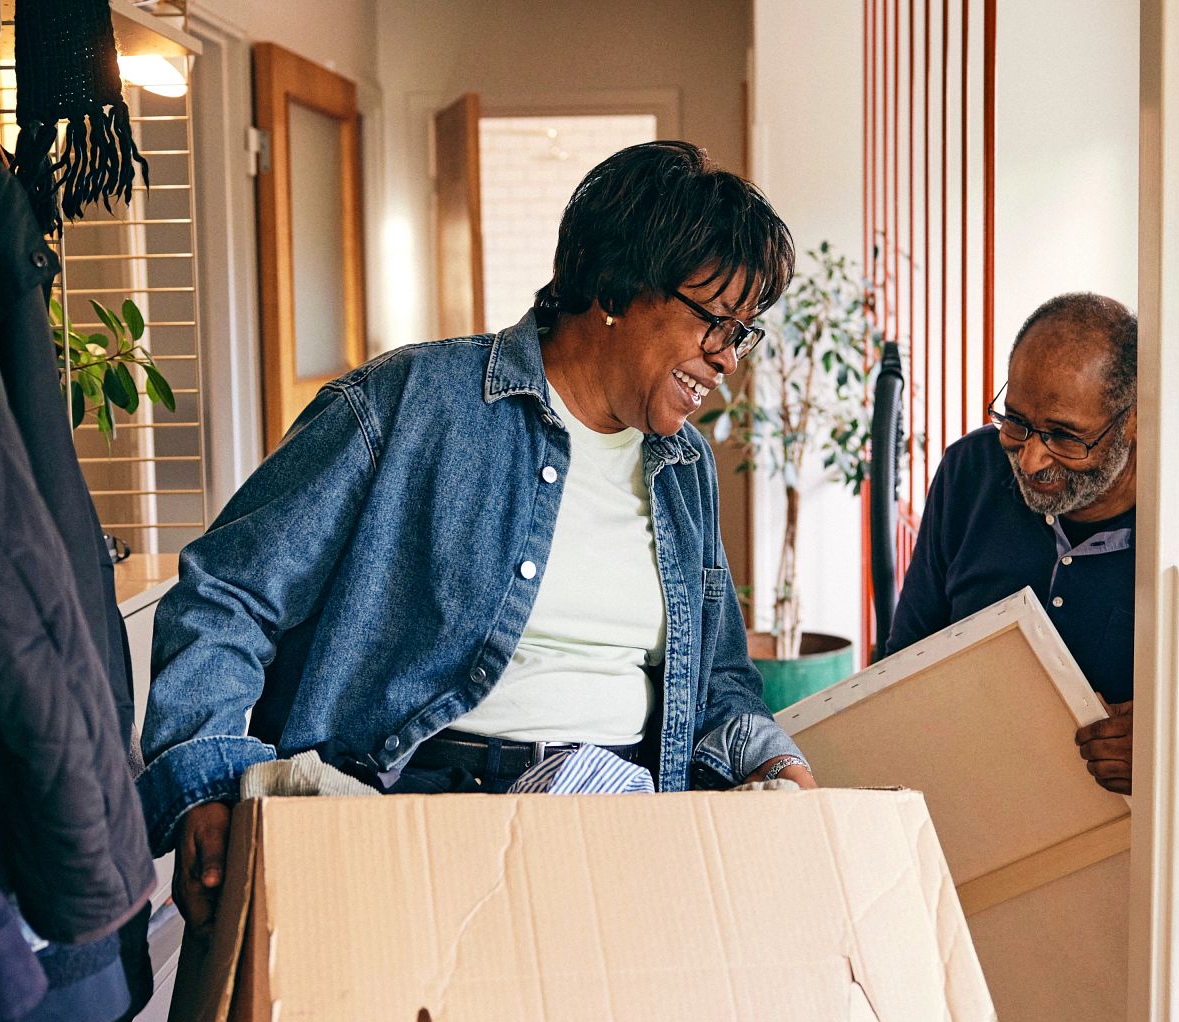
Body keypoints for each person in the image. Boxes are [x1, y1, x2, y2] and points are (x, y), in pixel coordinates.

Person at [139, 140, 819, 931]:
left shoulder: (683, 465)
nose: (727, 359)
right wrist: (209, 775)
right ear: (616, 284)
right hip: (407, 825)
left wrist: (775, 758)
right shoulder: (409, 402)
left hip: (620, 840)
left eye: (744, 334)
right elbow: (229, 590)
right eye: (715, 322)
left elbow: (718, 683)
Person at [887, 293, 1137, 794]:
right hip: (970, 799)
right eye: (1017, 422)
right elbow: (902, 670)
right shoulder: (969, 470)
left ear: (1135, 419)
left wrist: (1170, 739)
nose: (1029, 461)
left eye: (1066, 437)